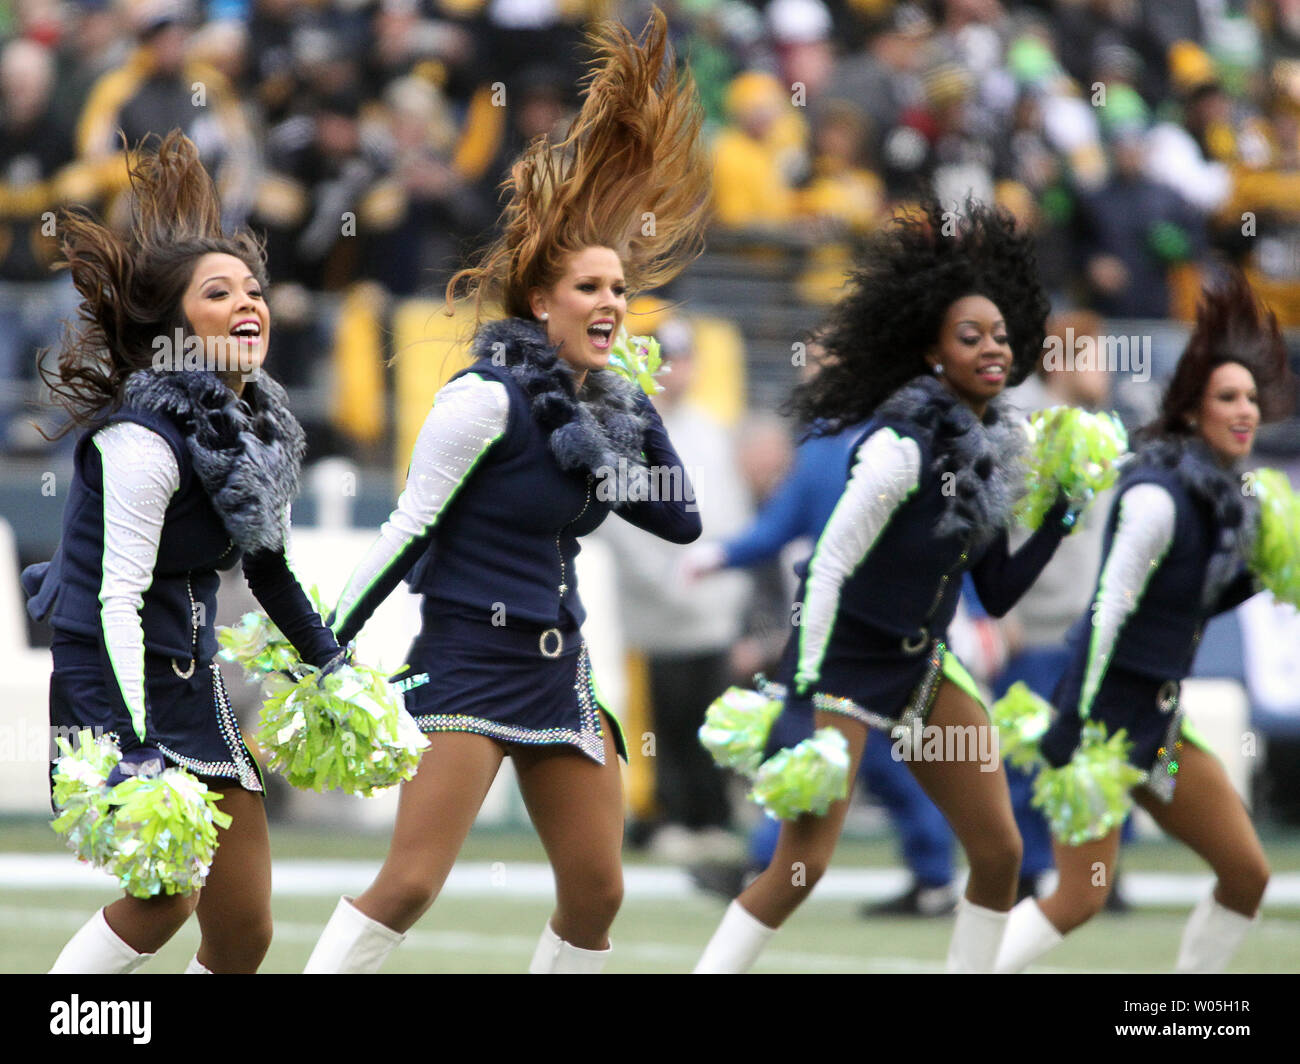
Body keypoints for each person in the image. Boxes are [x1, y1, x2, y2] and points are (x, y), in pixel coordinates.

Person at [302, 9, 708, 975]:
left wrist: (630, 397)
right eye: (589, 290)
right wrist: (319, 651)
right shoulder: (481, 400)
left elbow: (680, 517)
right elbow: (406, 531)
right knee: (408, 884)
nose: (611, 303)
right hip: (468, 658)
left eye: (620, 290)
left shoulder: (608, 406)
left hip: (557, 665)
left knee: (599, 891)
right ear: (539, 302)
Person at [694, 198, 1077, 974]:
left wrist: (1062, 516)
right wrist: (802, 687)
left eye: (1001, 335)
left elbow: (997, 590)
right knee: (800, 870)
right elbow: (826, 565)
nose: (992, 348)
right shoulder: (898, 447)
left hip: (924, 667)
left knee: (1000, 851)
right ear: (932, 355)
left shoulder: (990, 450)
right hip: (845, 668)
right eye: (970, 337)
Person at [25, 130, 343, 974]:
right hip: (112, 685)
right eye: (218, 293)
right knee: (167, 899)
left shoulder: (251, 433)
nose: (249, 304)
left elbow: (266, 564)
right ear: (173, 326)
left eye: (253, 290)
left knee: (245, 930)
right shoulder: (142, 440)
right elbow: (110, 603)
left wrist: (330, 663)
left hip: (192, 687)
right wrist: (131, 743)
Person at [996, 272, 1294, 973]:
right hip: (1105, 727)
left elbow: (1183, 607)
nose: (1244, 410)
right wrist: (1070, 723)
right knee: (1078, 897)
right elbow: (1109, 608)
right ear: (1192, 411)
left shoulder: (1217, 499)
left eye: (1251, 397)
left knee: (1247, 874)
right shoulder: (1157, 498)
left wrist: (1251, 580)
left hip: (1159, 731)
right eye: (1227, 397)